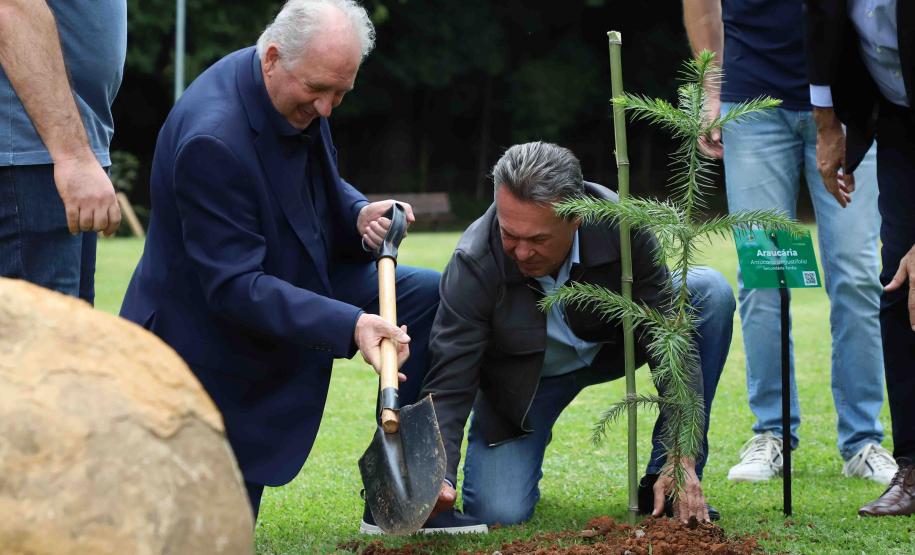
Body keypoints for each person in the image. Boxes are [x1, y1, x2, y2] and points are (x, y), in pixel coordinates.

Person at [119, 0, 440, 522]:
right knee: (208, 531)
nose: (328, 109)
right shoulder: (212, 141)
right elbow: (236, 287)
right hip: (206, 344)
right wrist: (351, 324)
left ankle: (401, 488)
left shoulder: (298, 89)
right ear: (272, 58)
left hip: (290, 275)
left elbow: (312, 181)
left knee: (425, 295)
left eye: (341, 93)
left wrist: (357, 213)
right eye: (320, 90)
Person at [413, 142, 735, 527]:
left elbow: (669, 342)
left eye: (538, 240)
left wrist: (681, 455)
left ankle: (662, 485)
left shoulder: (623, 227)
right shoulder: (473, 262)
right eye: (510, 234)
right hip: (523, 383)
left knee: (708, 292)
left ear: (577, 217)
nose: (521, 253)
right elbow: (451, 379)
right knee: (499, 512)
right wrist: (439, 475)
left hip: (613, 346)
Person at [683, 0, 896, 485]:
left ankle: (863, 440)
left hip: (849, 100)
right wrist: (710, 90)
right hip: (752, 100)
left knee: (857, 273)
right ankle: (771, 433)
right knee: (763, 275)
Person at [807, 0, 915, 516]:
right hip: (898, 119)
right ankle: (913, 469)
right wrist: (828, 125)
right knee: (899, 284)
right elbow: (820, 26)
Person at [0, 0, 125, 303]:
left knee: (67, 324)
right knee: (37, 329)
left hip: (49, 153)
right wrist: (72, 155)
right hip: (31, 157)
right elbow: (11, 8)